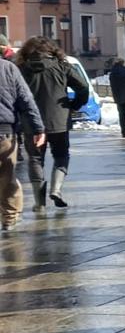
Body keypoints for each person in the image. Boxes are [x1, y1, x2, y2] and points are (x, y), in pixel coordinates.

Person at [15, 37, 87, 212]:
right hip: (59, 119)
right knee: (61, 155)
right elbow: (83, 87)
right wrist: (73, 105)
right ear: (52, 50)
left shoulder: (21, 69)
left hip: (31, 122)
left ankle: (39, 202)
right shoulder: (62, 66)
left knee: (35, 159)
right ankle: (56, 190)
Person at [0, 56, 43, 230]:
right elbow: (26, 100)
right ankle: (10, 217)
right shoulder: (8, 68)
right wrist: (38, 128)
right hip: (3, 132)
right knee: (6, 175)